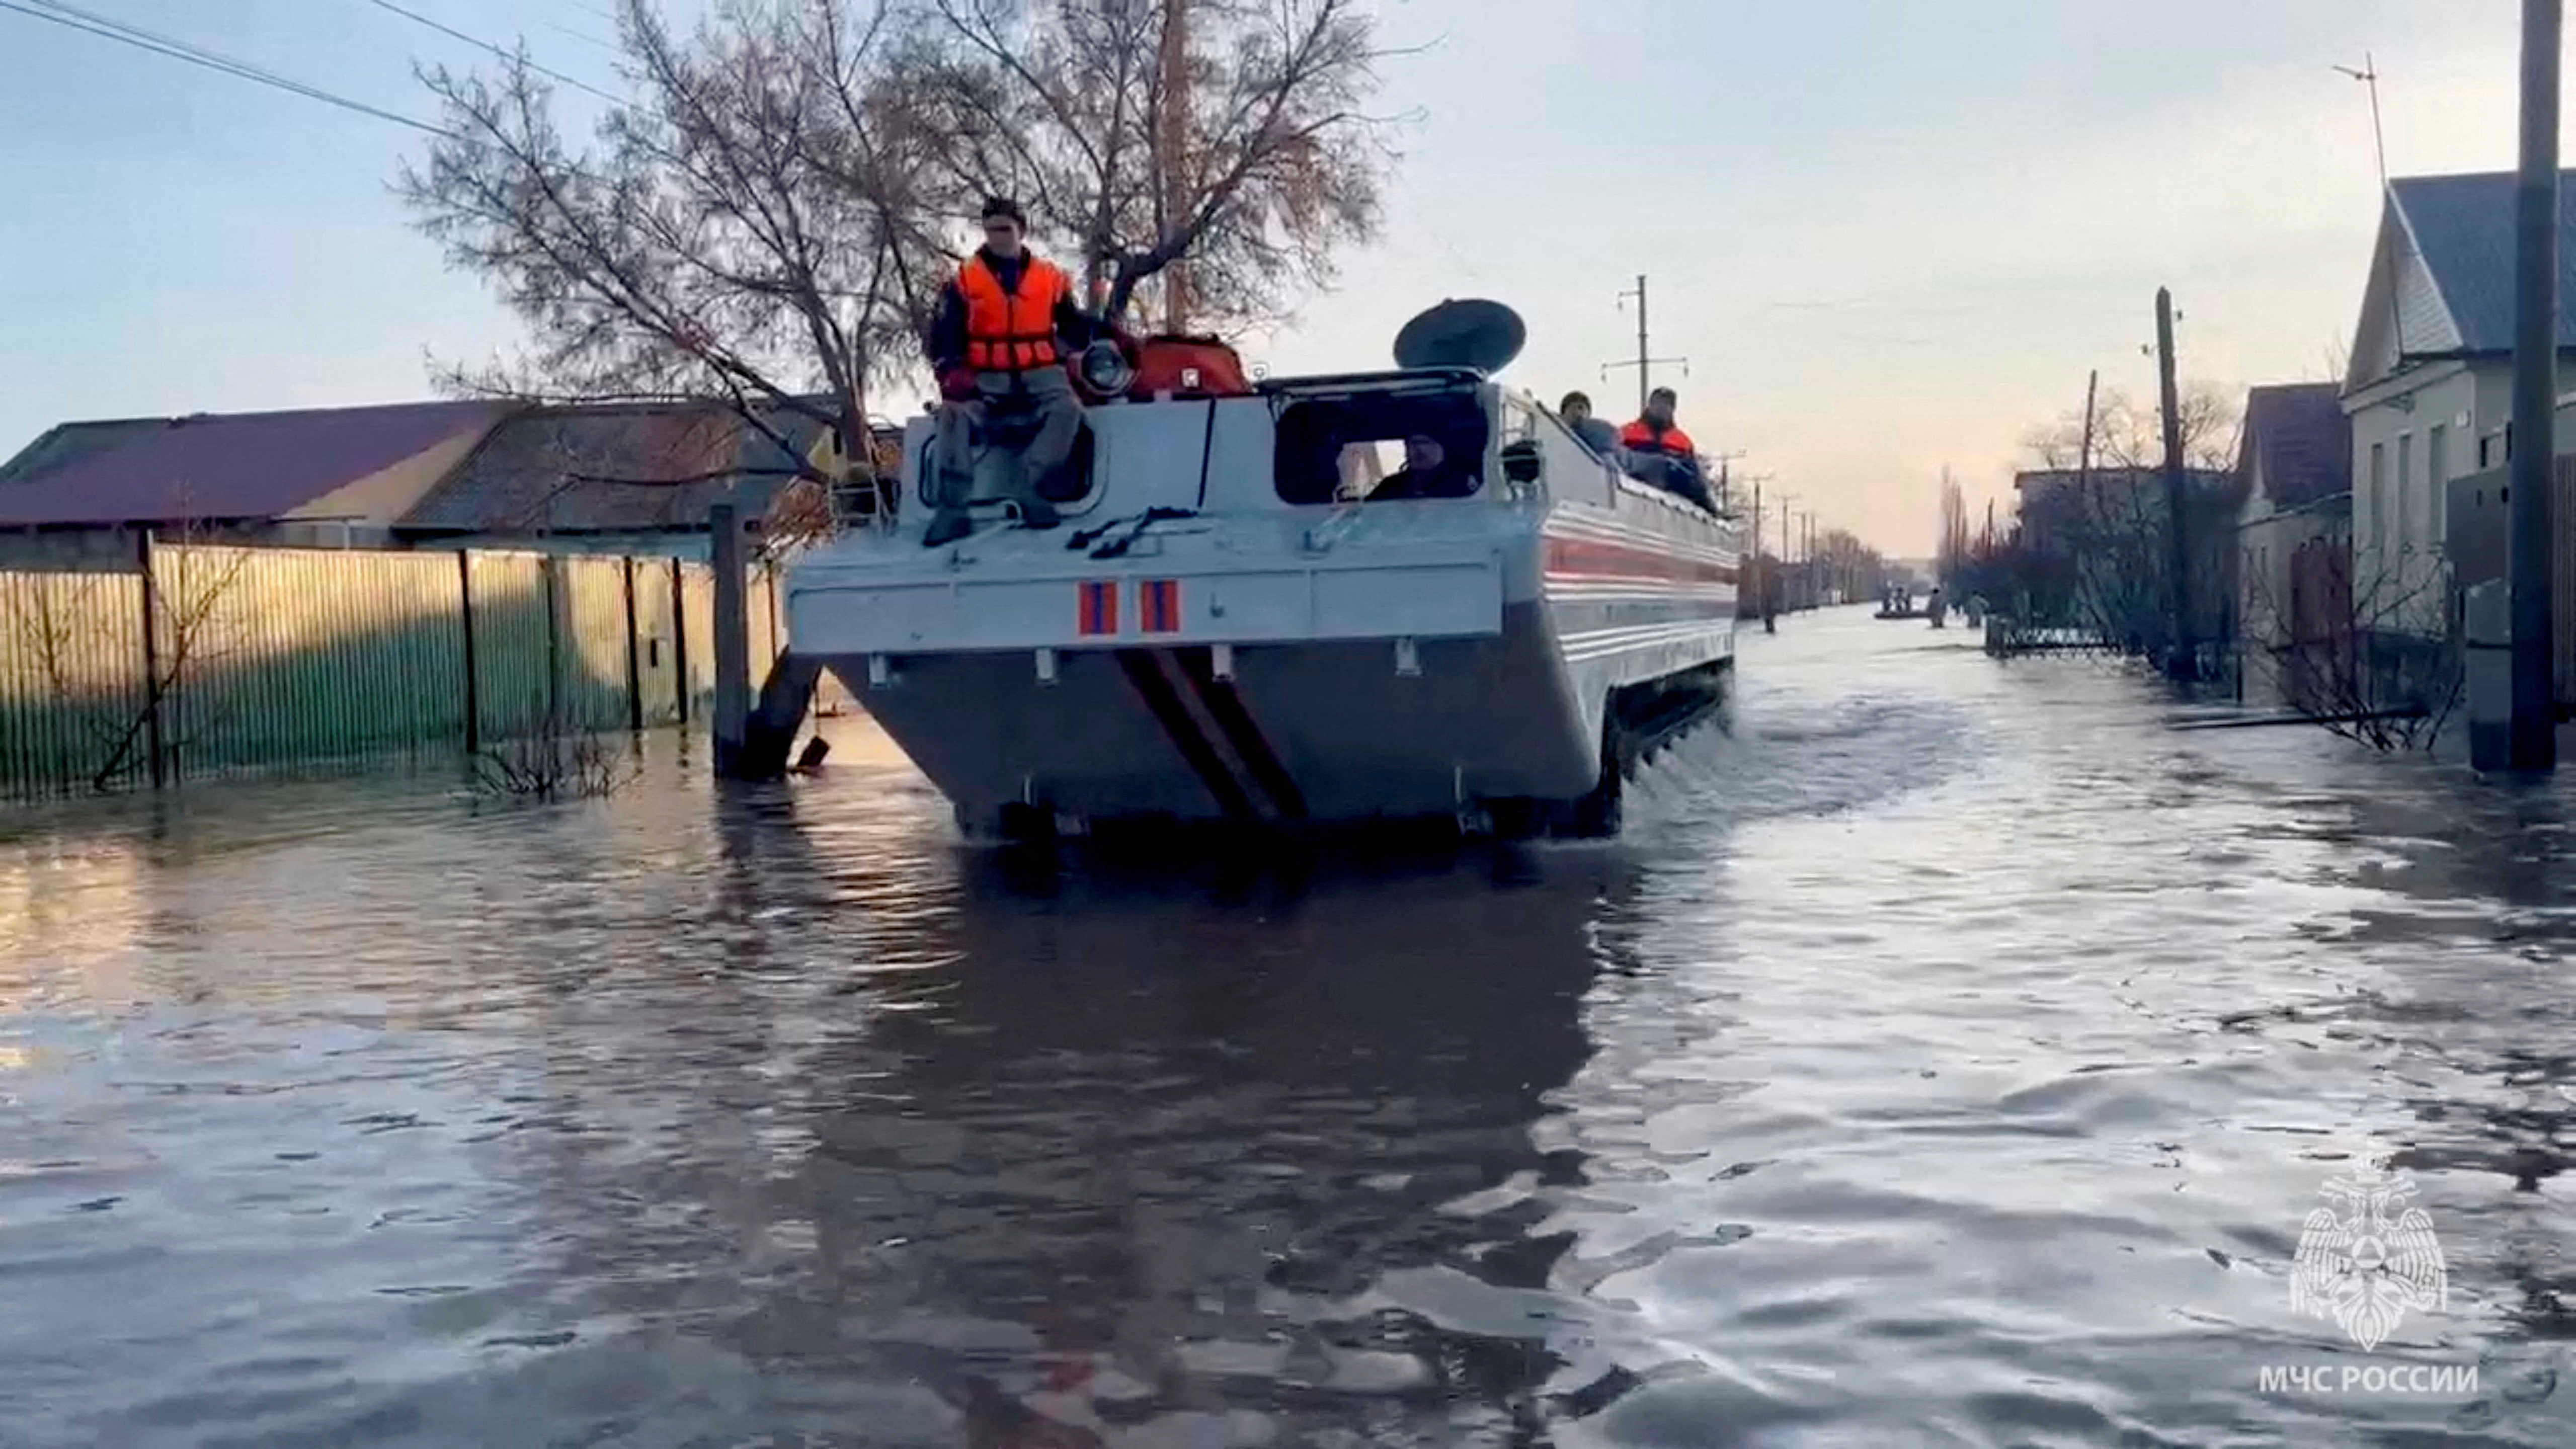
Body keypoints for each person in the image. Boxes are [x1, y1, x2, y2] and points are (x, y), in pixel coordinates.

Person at [923, 196, 1102, 548]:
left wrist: (1100, 334)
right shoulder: (964, 280)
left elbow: (1070, 324)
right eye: (991, 230)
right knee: (951, 416)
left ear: (1022, 231)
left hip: (1041, 377)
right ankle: (952, 510)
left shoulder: (1050, 278)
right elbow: (944, 332)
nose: (998, 237)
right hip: (986, 380)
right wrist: (950, 369)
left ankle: (1029, 487)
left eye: (1005, 229)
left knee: (1067, 411)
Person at [1618, 387, 1713, 510]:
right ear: (1650, 405)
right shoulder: (1626, 433)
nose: (1662, 408)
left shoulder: (1683, 442)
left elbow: (1695, 478)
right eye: (1658, 403)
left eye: (1667, 404)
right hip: (1633, 497)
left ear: (1673, 409)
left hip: (1672, 505)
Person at [1370, 435, 1470, 500]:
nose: (1419, 449)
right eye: (1412, 444)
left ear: (1439, 448)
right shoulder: (1391, 485)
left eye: (1425, 443)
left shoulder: (1459, 483)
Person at [1558, 390, 1621, 456]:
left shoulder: (1595, 436)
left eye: (1581, 408)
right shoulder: (1553, 430)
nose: (1577, 412)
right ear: (1564, 412)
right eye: (1572, 407)